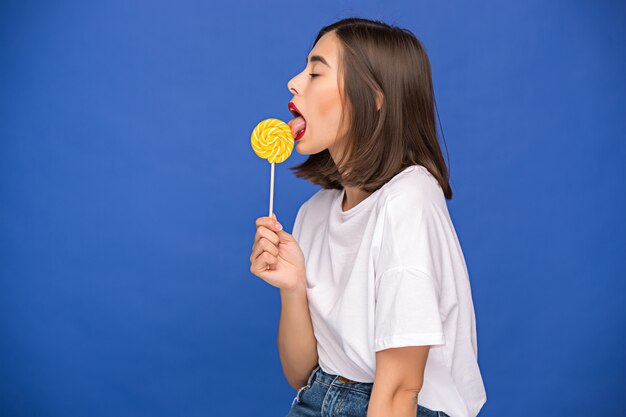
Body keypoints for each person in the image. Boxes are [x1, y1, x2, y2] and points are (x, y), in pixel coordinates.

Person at [249, 17, 487, 417]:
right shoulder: (314, 213)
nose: (294, 82)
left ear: (374, 97)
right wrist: (292, 289)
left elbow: (399, 391)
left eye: (315, 71)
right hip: (314, 401)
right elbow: (303, 374)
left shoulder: (408, 198)